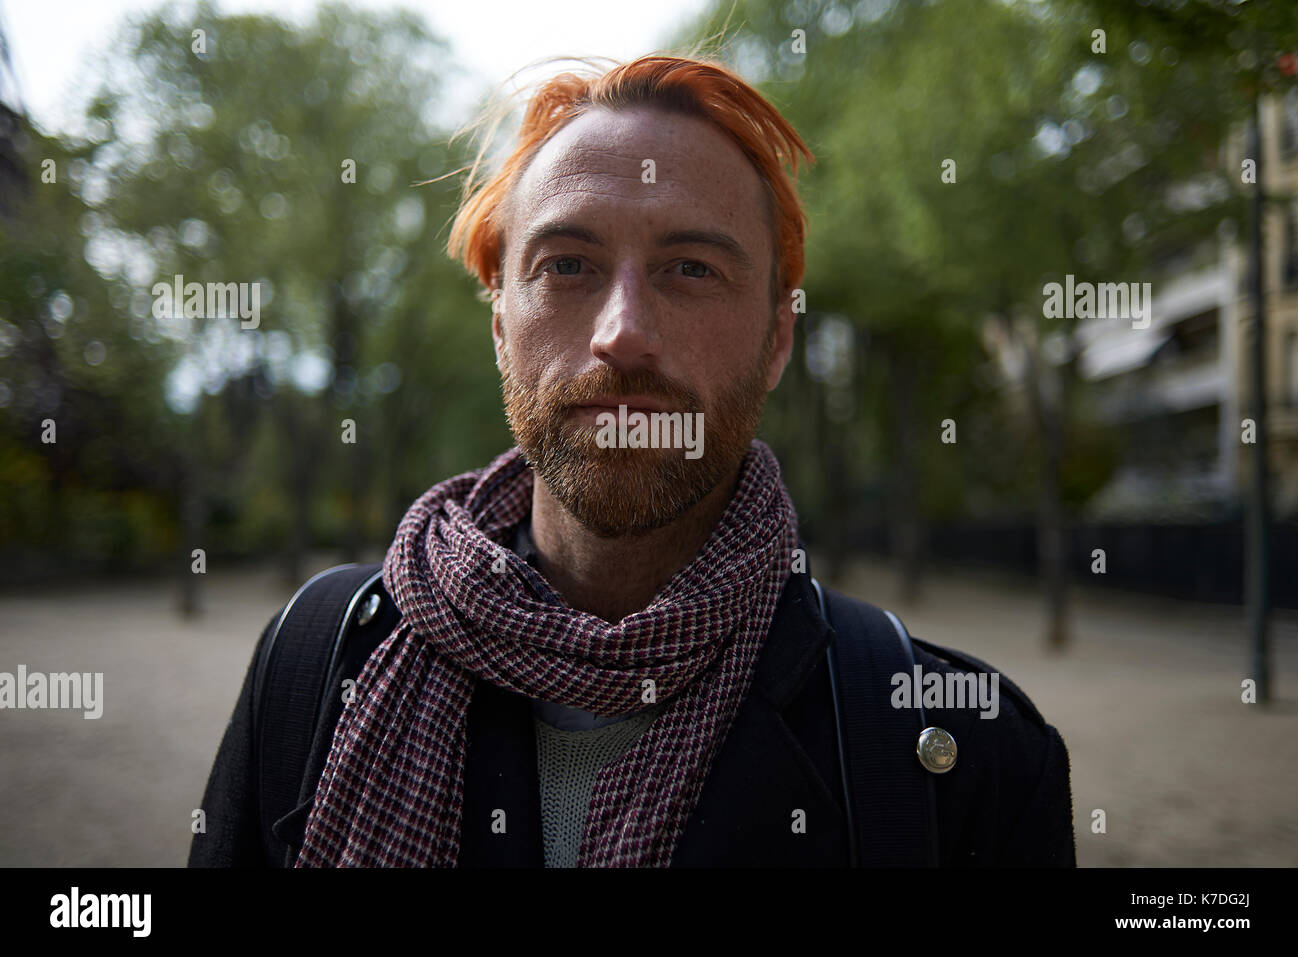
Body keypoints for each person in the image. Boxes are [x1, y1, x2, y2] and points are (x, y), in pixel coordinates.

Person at [189, 54, 1075, 868]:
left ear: (776, 339)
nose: (623, 335)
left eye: (690, 269)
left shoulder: (963, 751)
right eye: (568, 264)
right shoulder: (311, 670)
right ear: (501, 326)